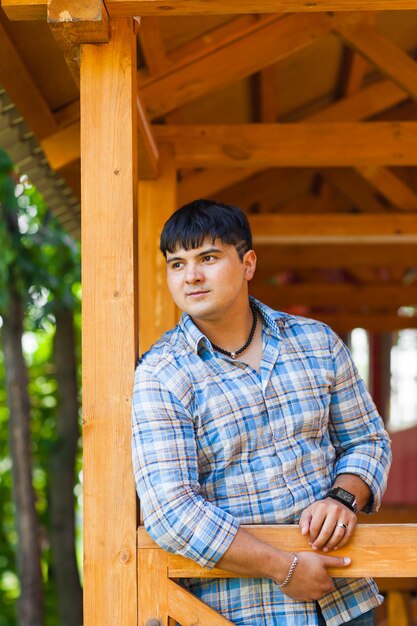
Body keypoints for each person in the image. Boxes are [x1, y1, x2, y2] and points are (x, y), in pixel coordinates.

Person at [131, 199, 392, 626]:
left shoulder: (316, 342)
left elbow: (367, 440)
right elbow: (171, 511)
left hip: (346, 602)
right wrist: (283, 568)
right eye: (176, 264)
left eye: (208, 258)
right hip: (239, 612)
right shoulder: (160, 374)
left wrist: (344, 497)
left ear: (248, 263)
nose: (191, 275)